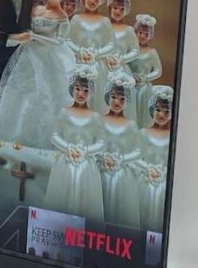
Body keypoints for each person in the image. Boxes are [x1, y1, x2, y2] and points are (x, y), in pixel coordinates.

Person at [0, 0, 76, 149]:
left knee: (46, 94)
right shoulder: (37, 10)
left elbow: (59, 41)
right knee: (22, 93)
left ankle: (44, 141)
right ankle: (15, 137)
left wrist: (36, 37)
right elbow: (23, 25)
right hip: (29, 56)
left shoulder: (62, 16)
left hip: (49, 58)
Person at [44, 64, 105, 222]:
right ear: (72, 89)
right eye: (78, 89)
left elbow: (101, 143)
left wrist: (85, 151)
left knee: (84, 200)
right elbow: (54, 136)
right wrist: (68, 148)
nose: (81, 93)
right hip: (65, 162)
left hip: (86, 166)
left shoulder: (95, 116)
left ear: (91, 92)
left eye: (86, 90)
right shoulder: (64, 112)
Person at [65, 0, 115, 114]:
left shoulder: (105, 21)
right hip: (77, 63)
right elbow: (68, 40)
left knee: (97, 96)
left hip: (97, 66)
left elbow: (112, 44)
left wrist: (96, 53)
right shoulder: (76, 19)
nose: (92, 0)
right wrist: (79, 51)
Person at [98, 71, 141, 228]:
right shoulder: (100, 120)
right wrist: (103, 157)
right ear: (107, 97)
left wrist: (121, 160)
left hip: (121, 174)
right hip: (101, 171)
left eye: (122, 99)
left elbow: (137, 151)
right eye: (114, 97)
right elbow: (95, 143)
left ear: (127, 101)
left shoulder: (131, 125)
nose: (117, 102)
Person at [137, 86, 173, 232]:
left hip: (164, 184)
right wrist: (148, 168)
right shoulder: (144, 133)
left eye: (166, 111)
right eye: (158, 110)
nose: (161, 114)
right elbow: (136, 158)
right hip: (145, 182)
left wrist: (164, 173)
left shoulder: (172, 137)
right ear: (152, 110)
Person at [106, 0, 140, 123]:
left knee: (121, 97)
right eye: (115, 8)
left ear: (127, 10)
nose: (118, 11)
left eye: (121, 9)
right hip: (105, 68)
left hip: (122, 70)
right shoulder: (105, 25)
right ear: (110, 8)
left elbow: (135, 51)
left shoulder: (128, 30)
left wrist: (121, 59)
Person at [130, 15, 162, 128]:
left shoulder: (151, 52)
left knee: (142, 110)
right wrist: (131, 76)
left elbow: (158, 71)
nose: (142, 36)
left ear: (150, 35)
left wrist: (145, 78)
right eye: (140, 33)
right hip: (131, 84)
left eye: (146, 34)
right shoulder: (131, 50)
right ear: (135, 32)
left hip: (145, 87)